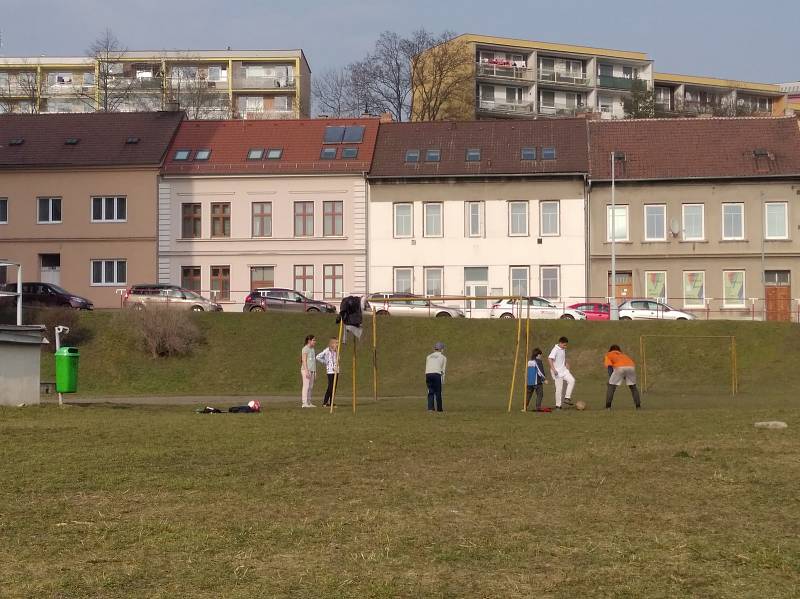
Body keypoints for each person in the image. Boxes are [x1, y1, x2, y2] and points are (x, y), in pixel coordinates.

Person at [604, 344, 641, 410]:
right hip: (631, 367)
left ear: (610, 350)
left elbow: (609, 366)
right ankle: (638, 406)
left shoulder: (609, 354)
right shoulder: (624, 355)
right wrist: (624, 376)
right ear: (619, 350)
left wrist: (611, 378)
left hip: (619, 368)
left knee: (611, 387)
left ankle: (608, 407)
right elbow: (626, 367)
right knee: (633, 387)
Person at [548, 336, 575, 409]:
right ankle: (558, 405)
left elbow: (562, 357)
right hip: (557, 372)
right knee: (559, 389)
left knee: (572, 380)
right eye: (564, 345)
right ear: (560, 343)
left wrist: (566, 363)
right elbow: (550, 359)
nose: (565, 347)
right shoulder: (555, 349)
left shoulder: (562, 349)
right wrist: (554, 370)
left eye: (566, 345)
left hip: (564, 370)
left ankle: (567, 398)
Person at [315, 338, 339, 407]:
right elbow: (318, 357)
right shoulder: (326, 351)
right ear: (332, 343)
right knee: (330, 386)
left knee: (334, 387)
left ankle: (331, 402)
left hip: (336, 371)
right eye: (336, 343)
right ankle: (325, 402)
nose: (337, 344)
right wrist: (326, 362)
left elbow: (339, 359)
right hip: (330, 371)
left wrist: (337, 351)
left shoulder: (336, 351)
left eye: (338, 343)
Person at [425, 341, 447, 412]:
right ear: (442, 349)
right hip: (436, 374)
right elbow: (443, 370)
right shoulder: (443, 357)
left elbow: (427, 366)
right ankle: (439, 408)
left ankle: (430, 408)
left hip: (428, 374)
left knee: (430, 391)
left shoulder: (428, 356)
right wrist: (442, 380)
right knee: (438, 392)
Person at [525, 348, 549, 412]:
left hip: (529, 382)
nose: (541, 357)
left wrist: (526, 379)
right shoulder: (538, 361)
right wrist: (544, 379)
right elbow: (540, 371)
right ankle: (538, 407)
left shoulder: (529, 362)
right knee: (540, 394)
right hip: (537, 382)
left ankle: (525, 407)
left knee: (528, 394)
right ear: (538, 355)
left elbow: (527, 371)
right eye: (540, 355)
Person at [300, 334, 317, 408]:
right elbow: (304, 360)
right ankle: (304, 403)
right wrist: (306, 371)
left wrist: (315, 371)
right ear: (309, 341)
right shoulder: (305, 349)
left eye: (315, 340)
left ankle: (309, 402)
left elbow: (313, 361)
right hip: (305, 370)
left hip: (312, 370)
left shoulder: (312, 349)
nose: (315, 341)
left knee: (311, 387)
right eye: (313, 340)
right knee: (306, 386)